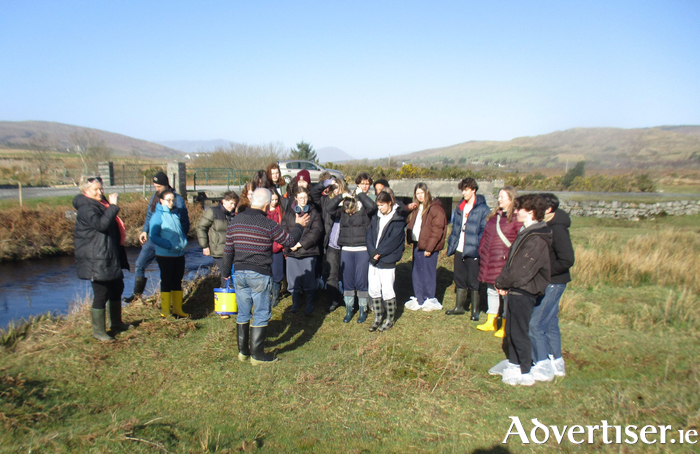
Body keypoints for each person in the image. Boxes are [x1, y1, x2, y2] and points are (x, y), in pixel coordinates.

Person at [222, 188, 309, 364]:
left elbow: (228, 251)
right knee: (261, 313)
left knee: (243, 313)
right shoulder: (267, 223)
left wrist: (225, 273)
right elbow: (289, 241)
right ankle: (257, 355)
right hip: (259, 272)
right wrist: (299, 225)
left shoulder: (235, 221)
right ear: (267, 205)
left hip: (239, 273)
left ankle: (243, 352)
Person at [494, 194, 552, 386]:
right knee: (511, 329)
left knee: (519, 331)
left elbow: (521, 269)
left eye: (520, 209)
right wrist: (505, 284)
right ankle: (514, 363)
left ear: (531, 212)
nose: (516, 211)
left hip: (525, 290)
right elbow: (512, 263)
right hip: (516, 289)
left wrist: (502, 282)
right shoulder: (527, 232)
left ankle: (525, 370)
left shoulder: (536, 239)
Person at [73, 176, 131, 342]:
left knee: (117, 286)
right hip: (96, 257)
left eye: (101, 188)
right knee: (101, 293)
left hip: (109, 254)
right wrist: (113, 207)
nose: (100, 192)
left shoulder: (101, 203)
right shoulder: (86, 208)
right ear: (86, 191)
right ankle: (98, 331)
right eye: (96, 190)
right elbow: (101, 225)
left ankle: (116, 322)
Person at [528, 193, 575, 381]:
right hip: (551, 281)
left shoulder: (558, 229)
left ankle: (541, 364)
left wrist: (545, 272)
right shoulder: (547, 226)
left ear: (548, 210)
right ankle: (557, 362)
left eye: (538, 207)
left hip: (554, 283)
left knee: (535, 324)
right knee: (551, 322)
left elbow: (567, 259)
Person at [124, 171, 189, 303]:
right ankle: (136, 296)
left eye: (159, 186)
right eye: (155, 186)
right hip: (154, 240)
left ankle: (168, 301)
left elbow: (184, 221)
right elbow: (149, 215)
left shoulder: (177, 200)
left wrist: (180, 239)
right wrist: (144, 231)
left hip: (169, 242)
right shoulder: (155, 197)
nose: (156, 189)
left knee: (168, 274)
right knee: (139, 264)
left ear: (166, 185)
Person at [326, 179, 377, 323]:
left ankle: (362, 310)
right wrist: (341, 197)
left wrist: (361, 196)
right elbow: (329, 209)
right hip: (346, 248)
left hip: (362, 249)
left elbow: (373, 207)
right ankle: (349, 309)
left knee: (361, 281)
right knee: (347, 281)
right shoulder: (343, 208)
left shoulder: (364, 208)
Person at [476, 186, 522, 336]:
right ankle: (491, 320)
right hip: (490, 259)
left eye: (503, 197)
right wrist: (481, 251)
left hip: (505, 261)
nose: (499, 199)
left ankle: (505, 324)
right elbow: (485, 237)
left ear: (511, 199)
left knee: (506, 293)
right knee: (491, 290)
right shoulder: (494, 217)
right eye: (499, 197)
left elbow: (519, 242)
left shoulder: (516, 219)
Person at [445, 177, 490, 320]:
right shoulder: (460, 207)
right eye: (462, 190)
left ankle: (475, 311)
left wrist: (478, 246)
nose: (463, 193)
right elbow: (455, 227)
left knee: (474, 280)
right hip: (459, 247)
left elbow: (484, 230)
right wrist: (452, 241)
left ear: (473, 190)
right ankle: (459, 307)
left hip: (474, 249)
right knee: (459, 277)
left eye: (466, 190)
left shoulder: (483, 209)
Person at [366, 190, 406, 332]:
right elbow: (369, 236)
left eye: (382, 205)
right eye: (378, 205)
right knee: (374, 288)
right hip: (374, 259)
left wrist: (379, 253)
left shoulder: (398, 219)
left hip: (387, 260)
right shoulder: (376, 218)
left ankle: (390, 318)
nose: (380, 208)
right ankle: (378, 316)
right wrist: (372, 252)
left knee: (387, 289)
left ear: (389, 203)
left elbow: (393, 241)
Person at [281, 186, 323, 315]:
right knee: (293, 280)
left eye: (305, 197)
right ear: (296, 198)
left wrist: (300, 244)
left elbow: (317, 231)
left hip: (308, 251)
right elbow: (284, 230)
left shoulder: (314, 213)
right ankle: (296, 303)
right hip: (292, 252)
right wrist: (290, 244)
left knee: (309, 280)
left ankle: (309, 303)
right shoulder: (288, 214)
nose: (303, 200)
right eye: (300, 198)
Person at [404, 183, 447, 308]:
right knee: (417, 272)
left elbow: (437, 230)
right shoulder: (417, 208)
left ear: (427, 192)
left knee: (428, 273)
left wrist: (430, 248)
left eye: (422, 193)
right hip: (418, 244)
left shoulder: (435, 208)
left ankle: (429, 297)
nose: (420, 196)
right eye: (417, 193)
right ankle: (419, 297)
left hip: (429, 246)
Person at [149, 190, 189, 319]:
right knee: (166, 281)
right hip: (165, 255)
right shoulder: (157, 216)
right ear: (161, 200)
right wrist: (169, 245)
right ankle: (165, 311)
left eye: (173, 200)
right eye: (168, 200)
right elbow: (153, 236)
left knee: (177, 281)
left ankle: (178, 309)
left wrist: (183, 242)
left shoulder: (175, 214)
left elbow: (180, 232)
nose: (171, 203)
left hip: (179, 254)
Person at [197, 191, 239, 288]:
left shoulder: (233, 215)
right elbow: (201, 227)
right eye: (231, 203)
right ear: (224, 201)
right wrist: (205, 246)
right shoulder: (213, 212)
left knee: (230, 276)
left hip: (232, 250)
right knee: (227, 276)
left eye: (234, 204)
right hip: (218, 250)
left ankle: (226, 297)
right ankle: (227, 298)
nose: (232, 206)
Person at [320, 177, 349, 312]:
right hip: (332, 244)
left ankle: (348, 299)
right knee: (332, 274)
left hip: (346, 244)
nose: (336, 190)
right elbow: (330, 209)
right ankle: (333, 299)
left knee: (346, 274)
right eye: (334, 188)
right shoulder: (329, 201)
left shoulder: (350, 201)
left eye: (338, 187)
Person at [267, 191, 286, 307]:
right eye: (272, 200)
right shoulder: (264, 212)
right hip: (266, 246)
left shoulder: (281, 212)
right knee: (267, 272)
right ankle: (267, 294)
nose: (274, 202)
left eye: (275, 200)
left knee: (277, 272)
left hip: (278, 246)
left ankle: (275, 296)